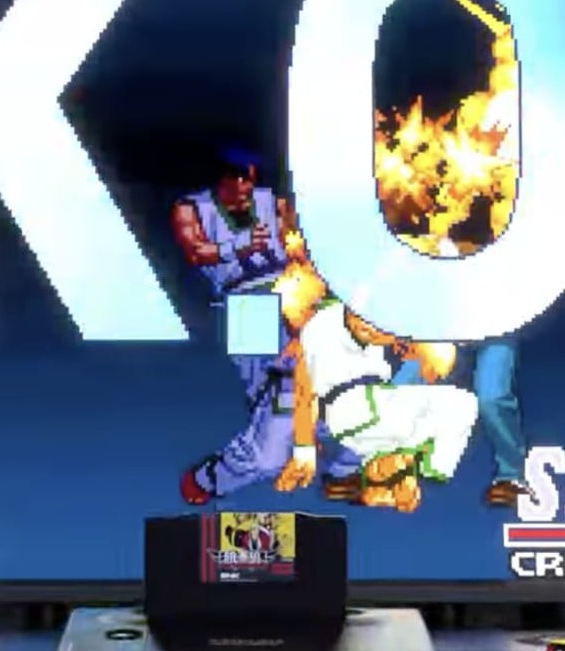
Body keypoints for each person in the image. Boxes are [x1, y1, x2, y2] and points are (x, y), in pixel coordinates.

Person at [174, 151, 358, 502]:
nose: (245, 186)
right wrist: (239, 245)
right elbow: (196, 251)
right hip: (247, 303)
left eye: (249, 178)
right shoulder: (193, 208)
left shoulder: (272, 202)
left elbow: (300, 246)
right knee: (273, 399)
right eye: (237, 178)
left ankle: (340, 464)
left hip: (295, 293)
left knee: (342, 380)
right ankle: (213, 477)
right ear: (222, 179)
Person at [274, 299, 479, 513]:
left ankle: (386, 477)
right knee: (458, 405)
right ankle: (407, 469)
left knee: (453, 411)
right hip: (354, 405)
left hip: (363, 424)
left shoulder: (379, 332)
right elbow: (304, 390)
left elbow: (403, 343)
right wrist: (303, 450)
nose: (373, 329)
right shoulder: (321, 327)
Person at [376, 339, 529, 507]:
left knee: (492, 398)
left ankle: (511, 476)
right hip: (446, 334)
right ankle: (377, 462)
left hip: (495, 335)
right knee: (397, 390)